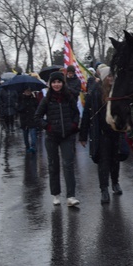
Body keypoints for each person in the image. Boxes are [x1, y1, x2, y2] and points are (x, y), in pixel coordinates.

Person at [79, 64, 126, 204]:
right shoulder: (94, 93)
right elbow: (87, 114)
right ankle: (104, 189)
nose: (111, 78)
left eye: (113, 75)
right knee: (103, 162)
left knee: (115, 160)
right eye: (109, 76)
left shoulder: (118, 91)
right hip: (101, 133)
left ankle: (115, 182)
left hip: (116, 132)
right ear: (104, 77)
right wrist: (83, 135)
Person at [35, 71, 81, 207]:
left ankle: (71, 196)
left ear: (63, 83)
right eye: (54, 82)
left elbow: (76, 113)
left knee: (68, 165)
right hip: (52, 137)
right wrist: (47, 127)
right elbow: (37, 117)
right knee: (53, 165)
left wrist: (73, 125)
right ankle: (56, 194)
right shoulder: (47, 99)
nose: (56, 84)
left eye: (59, 82)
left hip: (67, 136)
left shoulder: (69, 97)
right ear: (50, 84)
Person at [17, 87, 39, 153]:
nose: (28, 92)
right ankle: (27, 147)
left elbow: (37, 108)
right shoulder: (21, 99)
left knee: (33, 134)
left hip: (32, 119)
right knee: (25, 135)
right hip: (24, 120)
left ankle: (33, 147)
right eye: (26, 91)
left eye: (29, 91)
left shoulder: (34, 99)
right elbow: (19, 109)